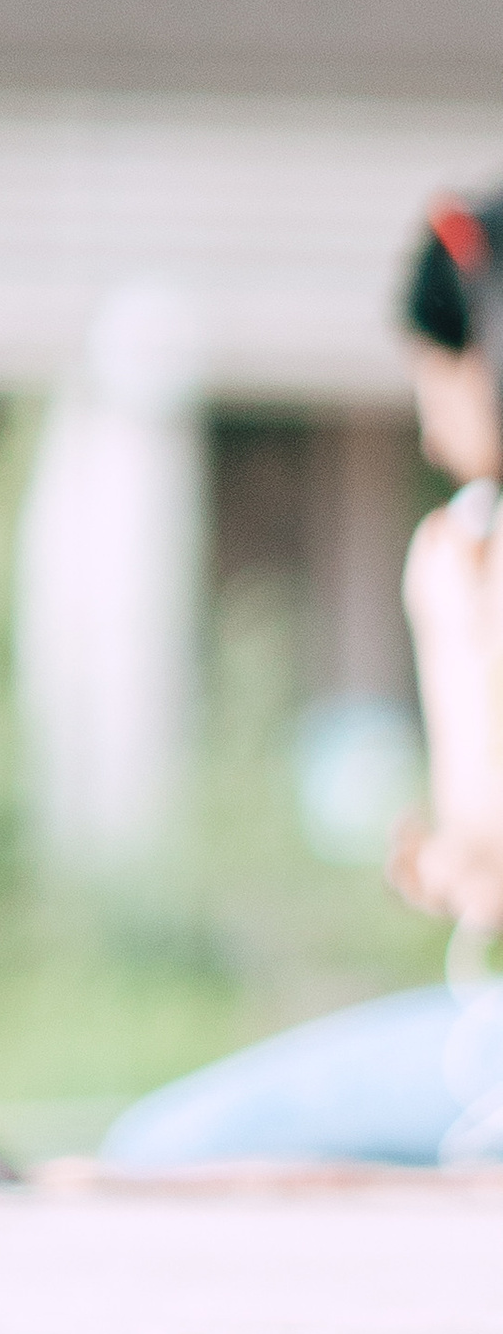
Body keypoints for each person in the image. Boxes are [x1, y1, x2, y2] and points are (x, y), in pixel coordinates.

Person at [101, 190, 503, 1169]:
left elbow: (488, 862)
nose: (425, 428)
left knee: (159, 1149)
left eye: (433, 378)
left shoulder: (468, 561)